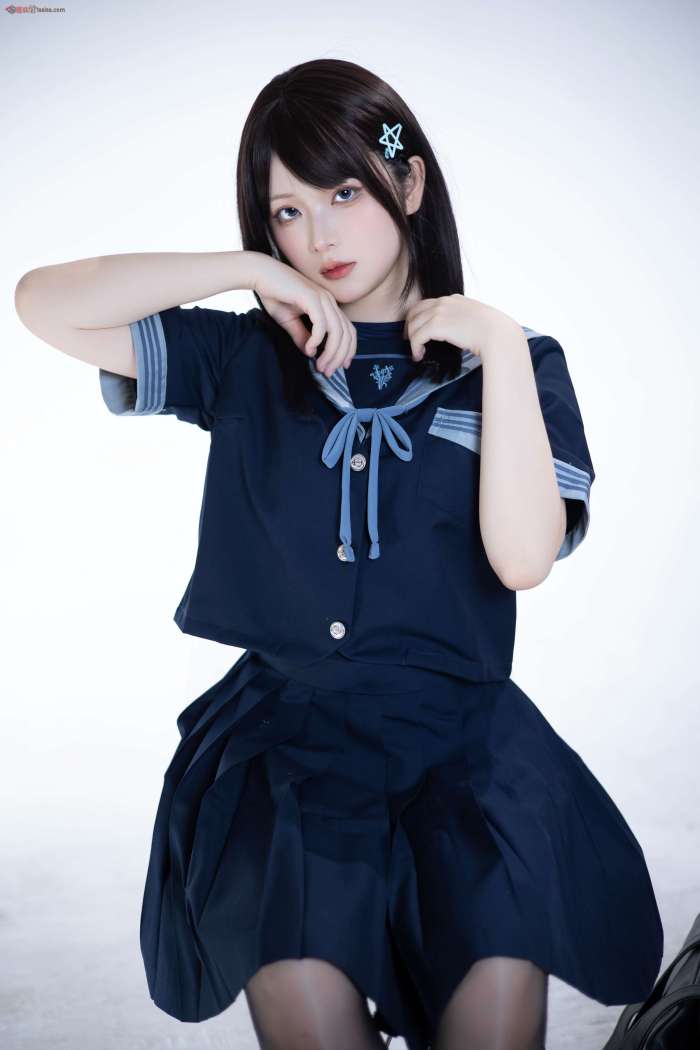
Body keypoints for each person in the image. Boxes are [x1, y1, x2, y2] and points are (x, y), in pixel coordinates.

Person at [14, 57, 663, 1050]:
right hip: (289, 759)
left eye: (345, 193)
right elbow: (42, 302)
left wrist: (493, 341)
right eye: (287, 212)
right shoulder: (244, 358)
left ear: (409, 183)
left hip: (467, 757)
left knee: (492, 995)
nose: (318, 236)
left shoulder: (516, 367)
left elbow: (522, 558)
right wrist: (247, 273)